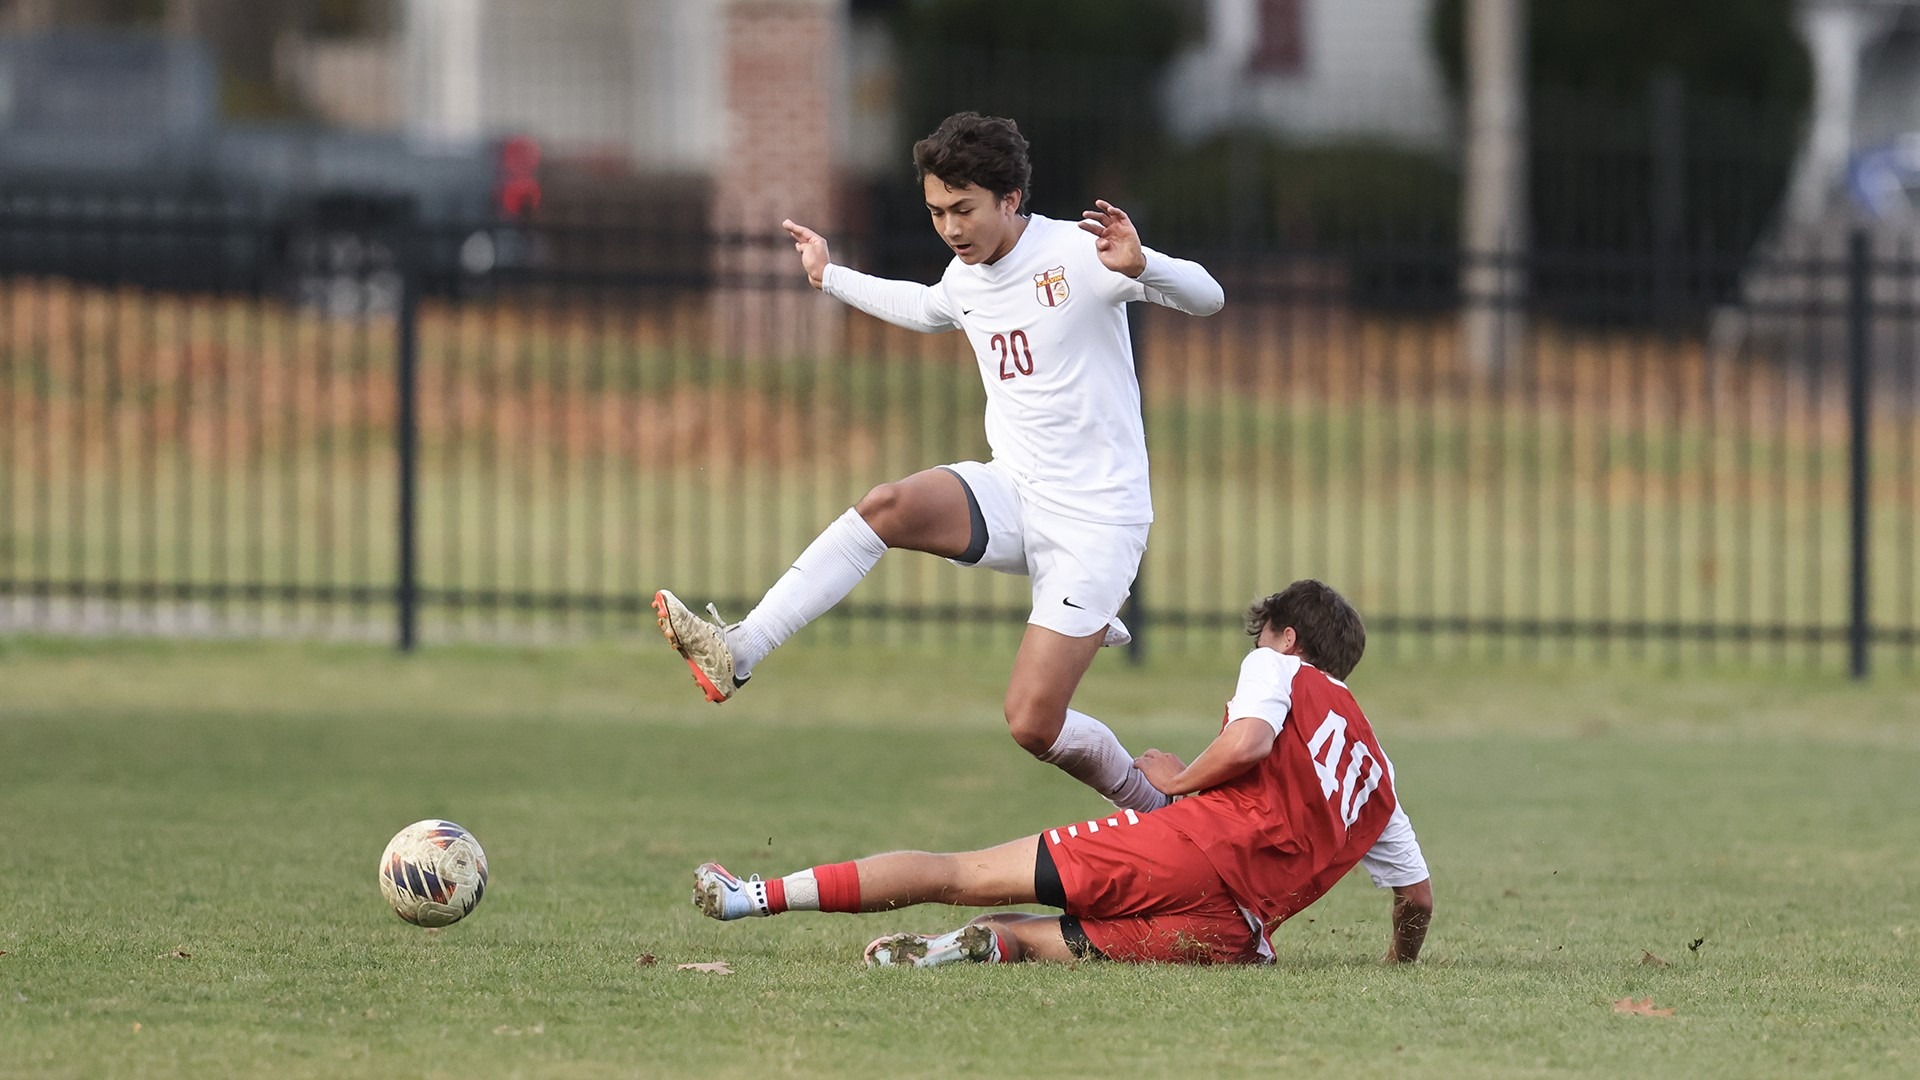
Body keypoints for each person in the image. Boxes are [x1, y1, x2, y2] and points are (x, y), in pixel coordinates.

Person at [653, 111, 1224, 815]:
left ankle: (1159, 814)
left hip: (1097, 522)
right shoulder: (965, 274)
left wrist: (1145, 265)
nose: (950, 228)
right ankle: (740, 651)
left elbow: (1208, 296)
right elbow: (928, 308)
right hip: (1014, 492)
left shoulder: (1080, 256)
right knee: (886, 506)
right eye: (935, 212)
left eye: (963, 209)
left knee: (1031, 722)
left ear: (1010, 199)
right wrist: (828, 275)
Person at [689, 581, 1434, 967]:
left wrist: (1175, 785)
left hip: (1189, 848)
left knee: (963, 872)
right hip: (1235, 932)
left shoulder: (1278, 667)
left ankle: (750, 897)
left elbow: (1246, 743)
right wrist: (1396, 963)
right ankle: (986, 946)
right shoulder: (1379, 773)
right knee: (1062, 938)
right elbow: (1417, 900)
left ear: (1289, 637)